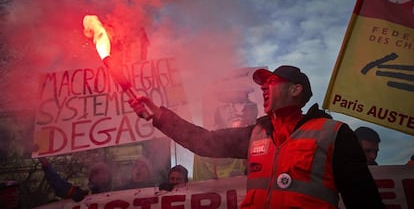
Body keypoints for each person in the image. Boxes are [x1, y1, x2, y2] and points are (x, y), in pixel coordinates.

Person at [129, 65, 385, 208]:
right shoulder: (257, 134)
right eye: (263, 84)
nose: (263, 87)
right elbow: (203, 142)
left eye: (272, 81)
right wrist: (158, 117)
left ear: (296, 90)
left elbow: (365, 202)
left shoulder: (334, 134)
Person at [39, 158, 112, 202]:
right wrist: (46, 165)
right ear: (91, 178)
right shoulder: (81, 194)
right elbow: (60, 185)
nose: (100, 176)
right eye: (96, 173)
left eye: (104, 173)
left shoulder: (120, 192)